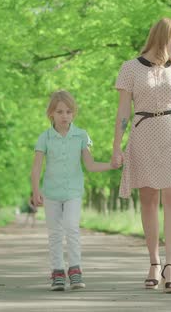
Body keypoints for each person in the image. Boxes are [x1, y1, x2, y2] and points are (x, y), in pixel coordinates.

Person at [111, 17, 171, 294]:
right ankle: (153, 262)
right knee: (149, 198)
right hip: (143, 135)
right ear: (161, 36)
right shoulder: (130, 68)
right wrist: (116, 145)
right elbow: (123, 112)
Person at [31, 90, 119, 291]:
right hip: (51, 193)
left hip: (73, 192)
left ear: (74, 114)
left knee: (71, 226)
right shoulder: (44, 138)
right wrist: (35, 190)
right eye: (60, 112)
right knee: (54, 233)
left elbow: (90, 165)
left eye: (69, 112)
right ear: (51, 114)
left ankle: (75, 269)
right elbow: (36, 168)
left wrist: (111, 165)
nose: (64, 116)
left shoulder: (81, 135)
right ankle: (57, 272)